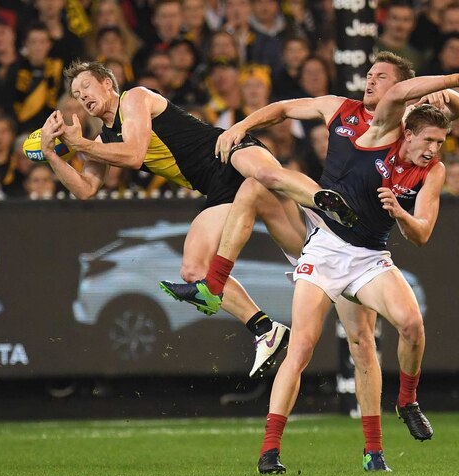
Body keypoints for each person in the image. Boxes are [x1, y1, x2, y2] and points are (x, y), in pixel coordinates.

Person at [160, 55, 459, 471]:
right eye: (369, 75)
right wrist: (242, 126)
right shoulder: (344, 109)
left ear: (403, 90)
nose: (370, 82)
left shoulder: (405, 128)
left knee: (370, 342)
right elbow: (282, 109)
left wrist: (453, 85)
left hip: (365, 254)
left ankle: (378, 446)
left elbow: (452, 110)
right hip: (321, 236)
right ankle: (268, 447)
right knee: (260, 183)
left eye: (380, 77)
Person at [39, 60, 356, 377]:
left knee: (265, 174)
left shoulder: (134, 97)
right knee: (192, 269)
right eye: (77, 95)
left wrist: (78, 144)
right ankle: (265, 329)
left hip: (226, 149)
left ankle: (326, 202)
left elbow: (134, 154)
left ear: (108, 83)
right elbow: (85, 189)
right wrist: (53, 155)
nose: (82, 97)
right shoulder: (103, 142)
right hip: (216, 187)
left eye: (86, 88)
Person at [255, 78, 459, 473]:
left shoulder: (433, 171)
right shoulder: (383, 131)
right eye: (428, 140)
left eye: (440, 143)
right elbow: (398, 97)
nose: (433, 150)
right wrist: (458, 79)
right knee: (303, 345)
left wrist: (400, 213)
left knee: (407, 326)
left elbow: (423, 234)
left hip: (368, 257)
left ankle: (402, 410)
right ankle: (270, 450)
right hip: (327, 248)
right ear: (407, 132)